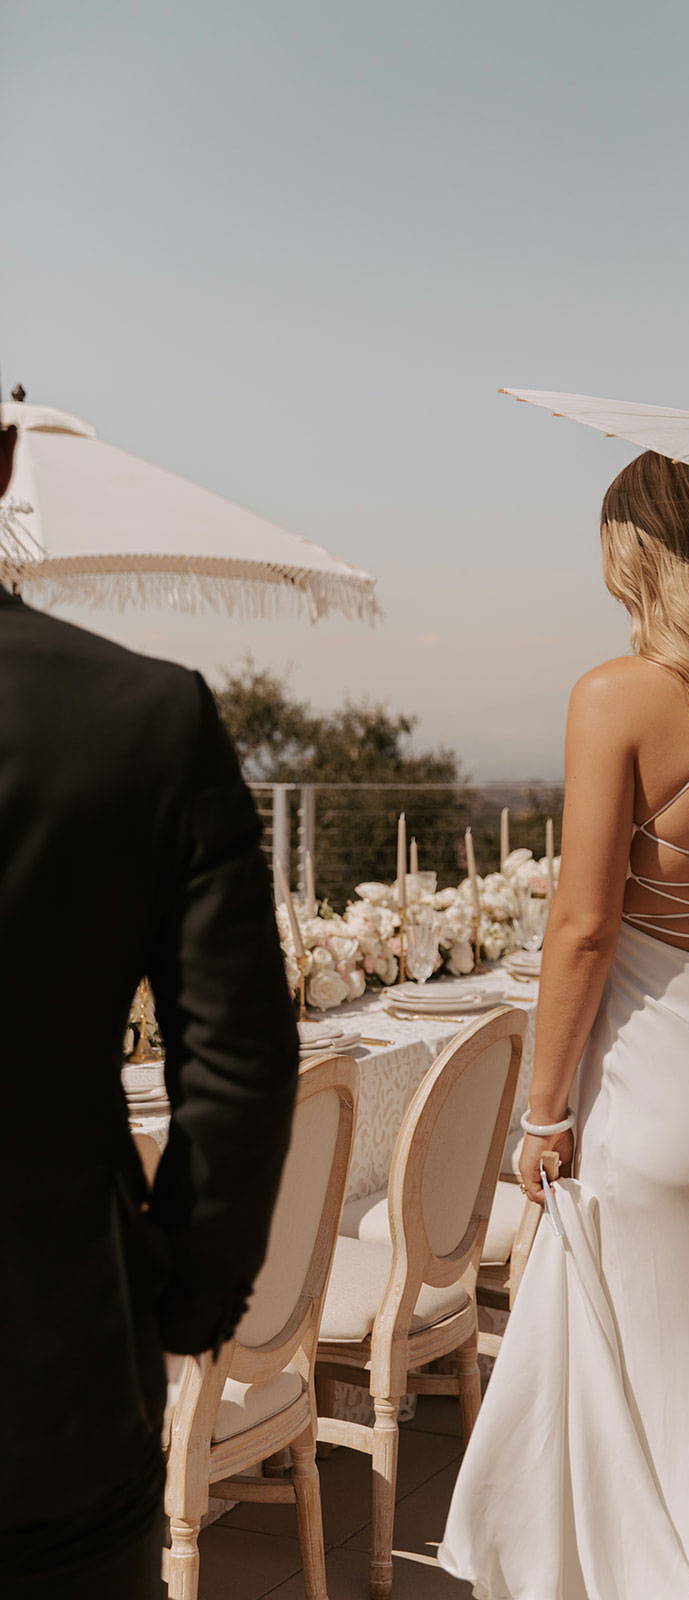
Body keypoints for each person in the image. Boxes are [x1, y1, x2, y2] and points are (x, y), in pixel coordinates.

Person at [439, 451, 689, 1599]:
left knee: (644, 1418)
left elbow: (580, 927)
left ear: (640, 549)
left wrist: (541, 1113)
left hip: (660, 1091)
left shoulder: (615, 694)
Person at [0, 407, 300, 1596]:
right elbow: (236, 1059)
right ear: (7, 460)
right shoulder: (140, 716)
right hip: (48, 1362)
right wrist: (185, 1294)